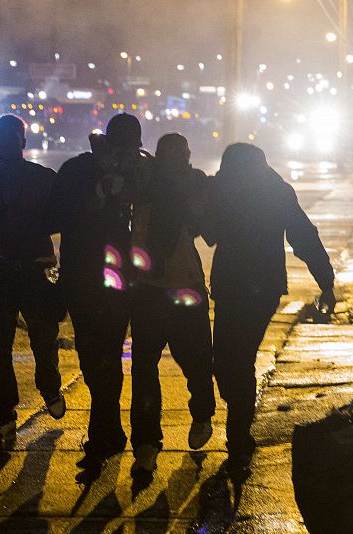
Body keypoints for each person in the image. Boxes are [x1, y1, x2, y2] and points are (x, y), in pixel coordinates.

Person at [205, 143, 335, 481]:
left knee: (233, 360)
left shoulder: (242, 191)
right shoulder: (274, 190)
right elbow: (304, 237)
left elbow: (209, 234)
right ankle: (239, 422)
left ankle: (238, 437)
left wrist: (327, 282)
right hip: (257, 288)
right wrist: (326, 282)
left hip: (242, 288)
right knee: (235, 360)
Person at [45, 113, 153, 474]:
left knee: (104, 351)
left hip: (113, 279)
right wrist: (96, 195)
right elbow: (53, 218)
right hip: (84, 276)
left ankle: (100, 434)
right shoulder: (78, 170)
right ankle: (110, 429)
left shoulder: (143, 174)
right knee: (95, 357)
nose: (127, 154)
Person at [0, 114, 66, 453]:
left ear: (22, 142)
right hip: (3, 270)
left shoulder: (44, 179)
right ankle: (2, 417)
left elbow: (65, 219)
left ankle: (49, 386)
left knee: (44, 341)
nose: (3, 143)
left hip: (36, 271)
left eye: (10, 137)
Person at [128, 133, 215, 474]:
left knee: (196, 364)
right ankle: (146, 445)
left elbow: (207, 228)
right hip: (150, 288)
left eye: (181, 154)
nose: (176, 160)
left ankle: (202, 413)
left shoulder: (191, 186)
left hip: (183, 286)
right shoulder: (143, 184)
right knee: (145, 370)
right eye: (170, 154)